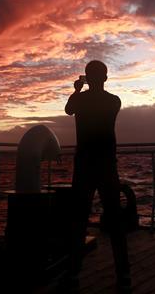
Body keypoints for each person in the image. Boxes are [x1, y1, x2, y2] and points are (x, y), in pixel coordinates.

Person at [65, 60, 131, 291]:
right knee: (115, 220)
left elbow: (68, 110)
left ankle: (73, 274)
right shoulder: (114, 101)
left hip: (84, 165)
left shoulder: (80, 99)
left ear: (86, 77)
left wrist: (76, 90)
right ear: (105, 77)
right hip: (106, 165)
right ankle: (124, 274)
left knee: (78, 220)